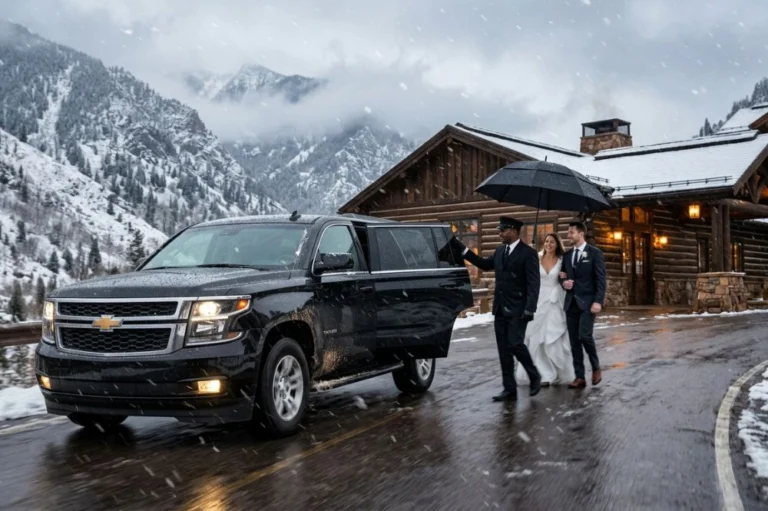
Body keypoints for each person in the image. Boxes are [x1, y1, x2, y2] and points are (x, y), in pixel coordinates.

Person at [451, 216, 542, 401]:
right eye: (499, 230)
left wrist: (530, 308)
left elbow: (534, 283)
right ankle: (509, 390)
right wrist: (464, 250)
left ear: (514, 231)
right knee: (503, 350)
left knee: (515, 343)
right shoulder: (500, 251)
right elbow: (484, 264)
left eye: (503, 230)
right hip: (500, 308)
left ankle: (534, 375)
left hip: (519, 308)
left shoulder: (528, 253)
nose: (499, 233)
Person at [515, 233, 575, 387]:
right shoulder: (536, 258)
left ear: (557, 245)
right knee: (535, 337)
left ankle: (555, 374)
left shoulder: (562, 261)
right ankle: (542, 374)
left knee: (552, 337)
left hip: (555, 301)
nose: (548, 244)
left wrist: (565, 279)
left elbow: (565, 279)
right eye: (547, 241)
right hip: (538, 300)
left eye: (552, 242)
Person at [558, 221, 606, 389]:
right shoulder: (567, 255)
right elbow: (562, 276)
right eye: (568, 232)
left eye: (571, 232)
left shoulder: (595, 253)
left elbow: (601, 280)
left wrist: (598, 301)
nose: (568, 235)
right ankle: (579, 377)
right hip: (571, 303)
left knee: (585, 336)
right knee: (574, 341)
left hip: (588, 303)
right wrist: (564, 282)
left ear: (580, 234)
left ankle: (596, 367)